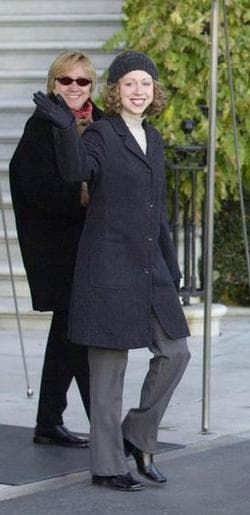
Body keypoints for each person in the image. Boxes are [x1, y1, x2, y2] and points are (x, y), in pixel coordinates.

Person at [31, 50, 191, 492]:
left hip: (150, 267)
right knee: (108, 371)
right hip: (105, 268)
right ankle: (107, 465)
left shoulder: (154, 138)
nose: (138, 91)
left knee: (176, 352)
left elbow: (156, 210)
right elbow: (76, 170)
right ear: (115, 91)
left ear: (153, 91)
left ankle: (136, 435)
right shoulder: (100, 134)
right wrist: (66, 127)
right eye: (129, 84)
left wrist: (171, 265)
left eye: (145, 84)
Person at [9, 50, 100, 448]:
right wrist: (81, 197)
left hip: (91, 244)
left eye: (83, 82)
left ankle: (49, 420)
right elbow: (30, 181)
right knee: (76, 335)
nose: (75, 89)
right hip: (60, 248)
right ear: (53, 84)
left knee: (66, 335)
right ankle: (105, 428)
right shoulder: (41, 126)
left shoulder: (100, 122)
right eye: (67, 81)